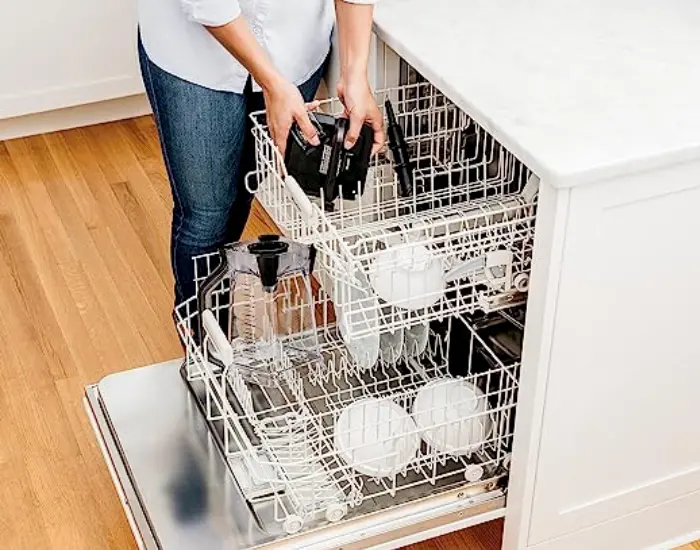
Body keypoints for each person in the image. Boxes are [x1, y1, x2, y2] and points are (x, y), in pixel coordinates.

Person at [137, 0, 385, 309]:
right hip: (194, 54)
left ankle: (215, 324)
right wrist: (271, 83)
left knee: (240, 198)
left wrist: (355, 71)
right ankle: (202, 343)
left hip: (293, 47)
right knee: (207, 216)